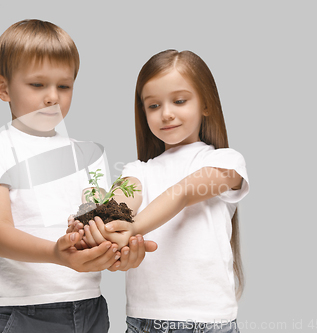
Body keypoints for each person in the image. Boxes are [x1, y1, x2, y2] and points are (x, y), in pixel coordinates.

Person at [0, 19, 155, 333]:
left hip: (91, 304)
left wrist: (117, 252)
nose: (53, 97)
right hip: (26, 311)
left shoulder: (89, 154)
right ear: (3, 88)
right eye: (37, 85)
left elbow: (97, 221)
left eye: (64, 86)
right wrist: (56, 253)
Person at [71, 49, 250, 332]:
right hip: (143, 322)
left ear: (206, 104)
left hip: (207, 322)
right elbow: (120, 204)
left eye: (179, 101)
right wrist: (92, 222)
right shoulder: (137, 170)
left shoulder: (225, 161)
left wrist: (133, 227)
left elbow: (182, 194)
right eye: (153, 106)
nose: (166, 114)